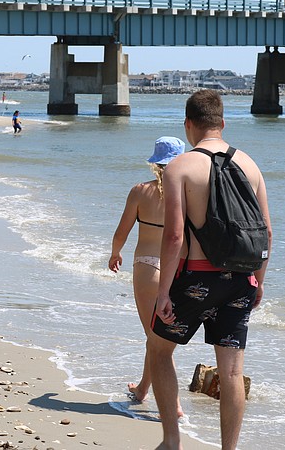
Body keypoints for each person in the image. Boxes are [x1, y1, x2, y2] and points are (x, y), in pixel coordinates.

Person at [150, 90, 272, 450]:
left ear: (188, 125)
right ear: (223, 123)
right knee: (232, 371)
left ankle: (172, 441)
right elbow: (266, 230)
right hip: (241, 281)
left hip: (194, 279)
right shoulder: (250, 165)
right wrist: (259, 282)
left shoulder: (180, 167)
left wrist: (162, 291)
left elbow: (173, 236)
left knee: (159, 351)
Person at [108, 137, 185, 417]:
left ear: (155, 163)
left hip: (147, 267)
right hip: (178, 269)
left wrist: (115, 253)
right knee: (160, 339)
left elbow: (122, 231)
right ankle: (142, 389)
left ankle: (173, 405)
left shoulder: (140, 191)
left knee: (155, 339)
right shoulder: (189, 194)